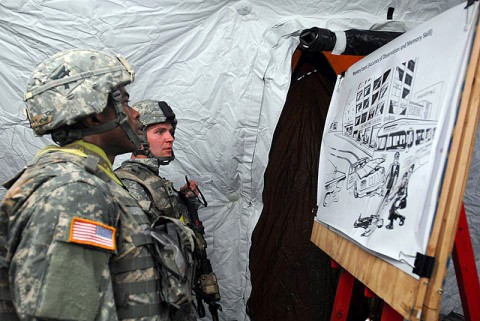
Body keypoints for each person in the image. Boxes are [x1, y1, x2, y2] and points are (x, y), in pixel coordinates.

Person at [0, 49, 194, 321]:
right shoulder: (75, 191)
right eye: (124, 102)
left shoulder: (90, 179)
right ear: (93, 115)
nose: (135, 113)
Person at [115, 100, 220, 320]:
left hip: (173, 298)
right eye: (159, 131)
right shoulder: (130, 184)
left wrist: (186, 201)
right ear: (139, 135)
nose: (170, 138)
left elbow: (171, 227)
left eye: (170, 131)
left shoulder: (153, 181)